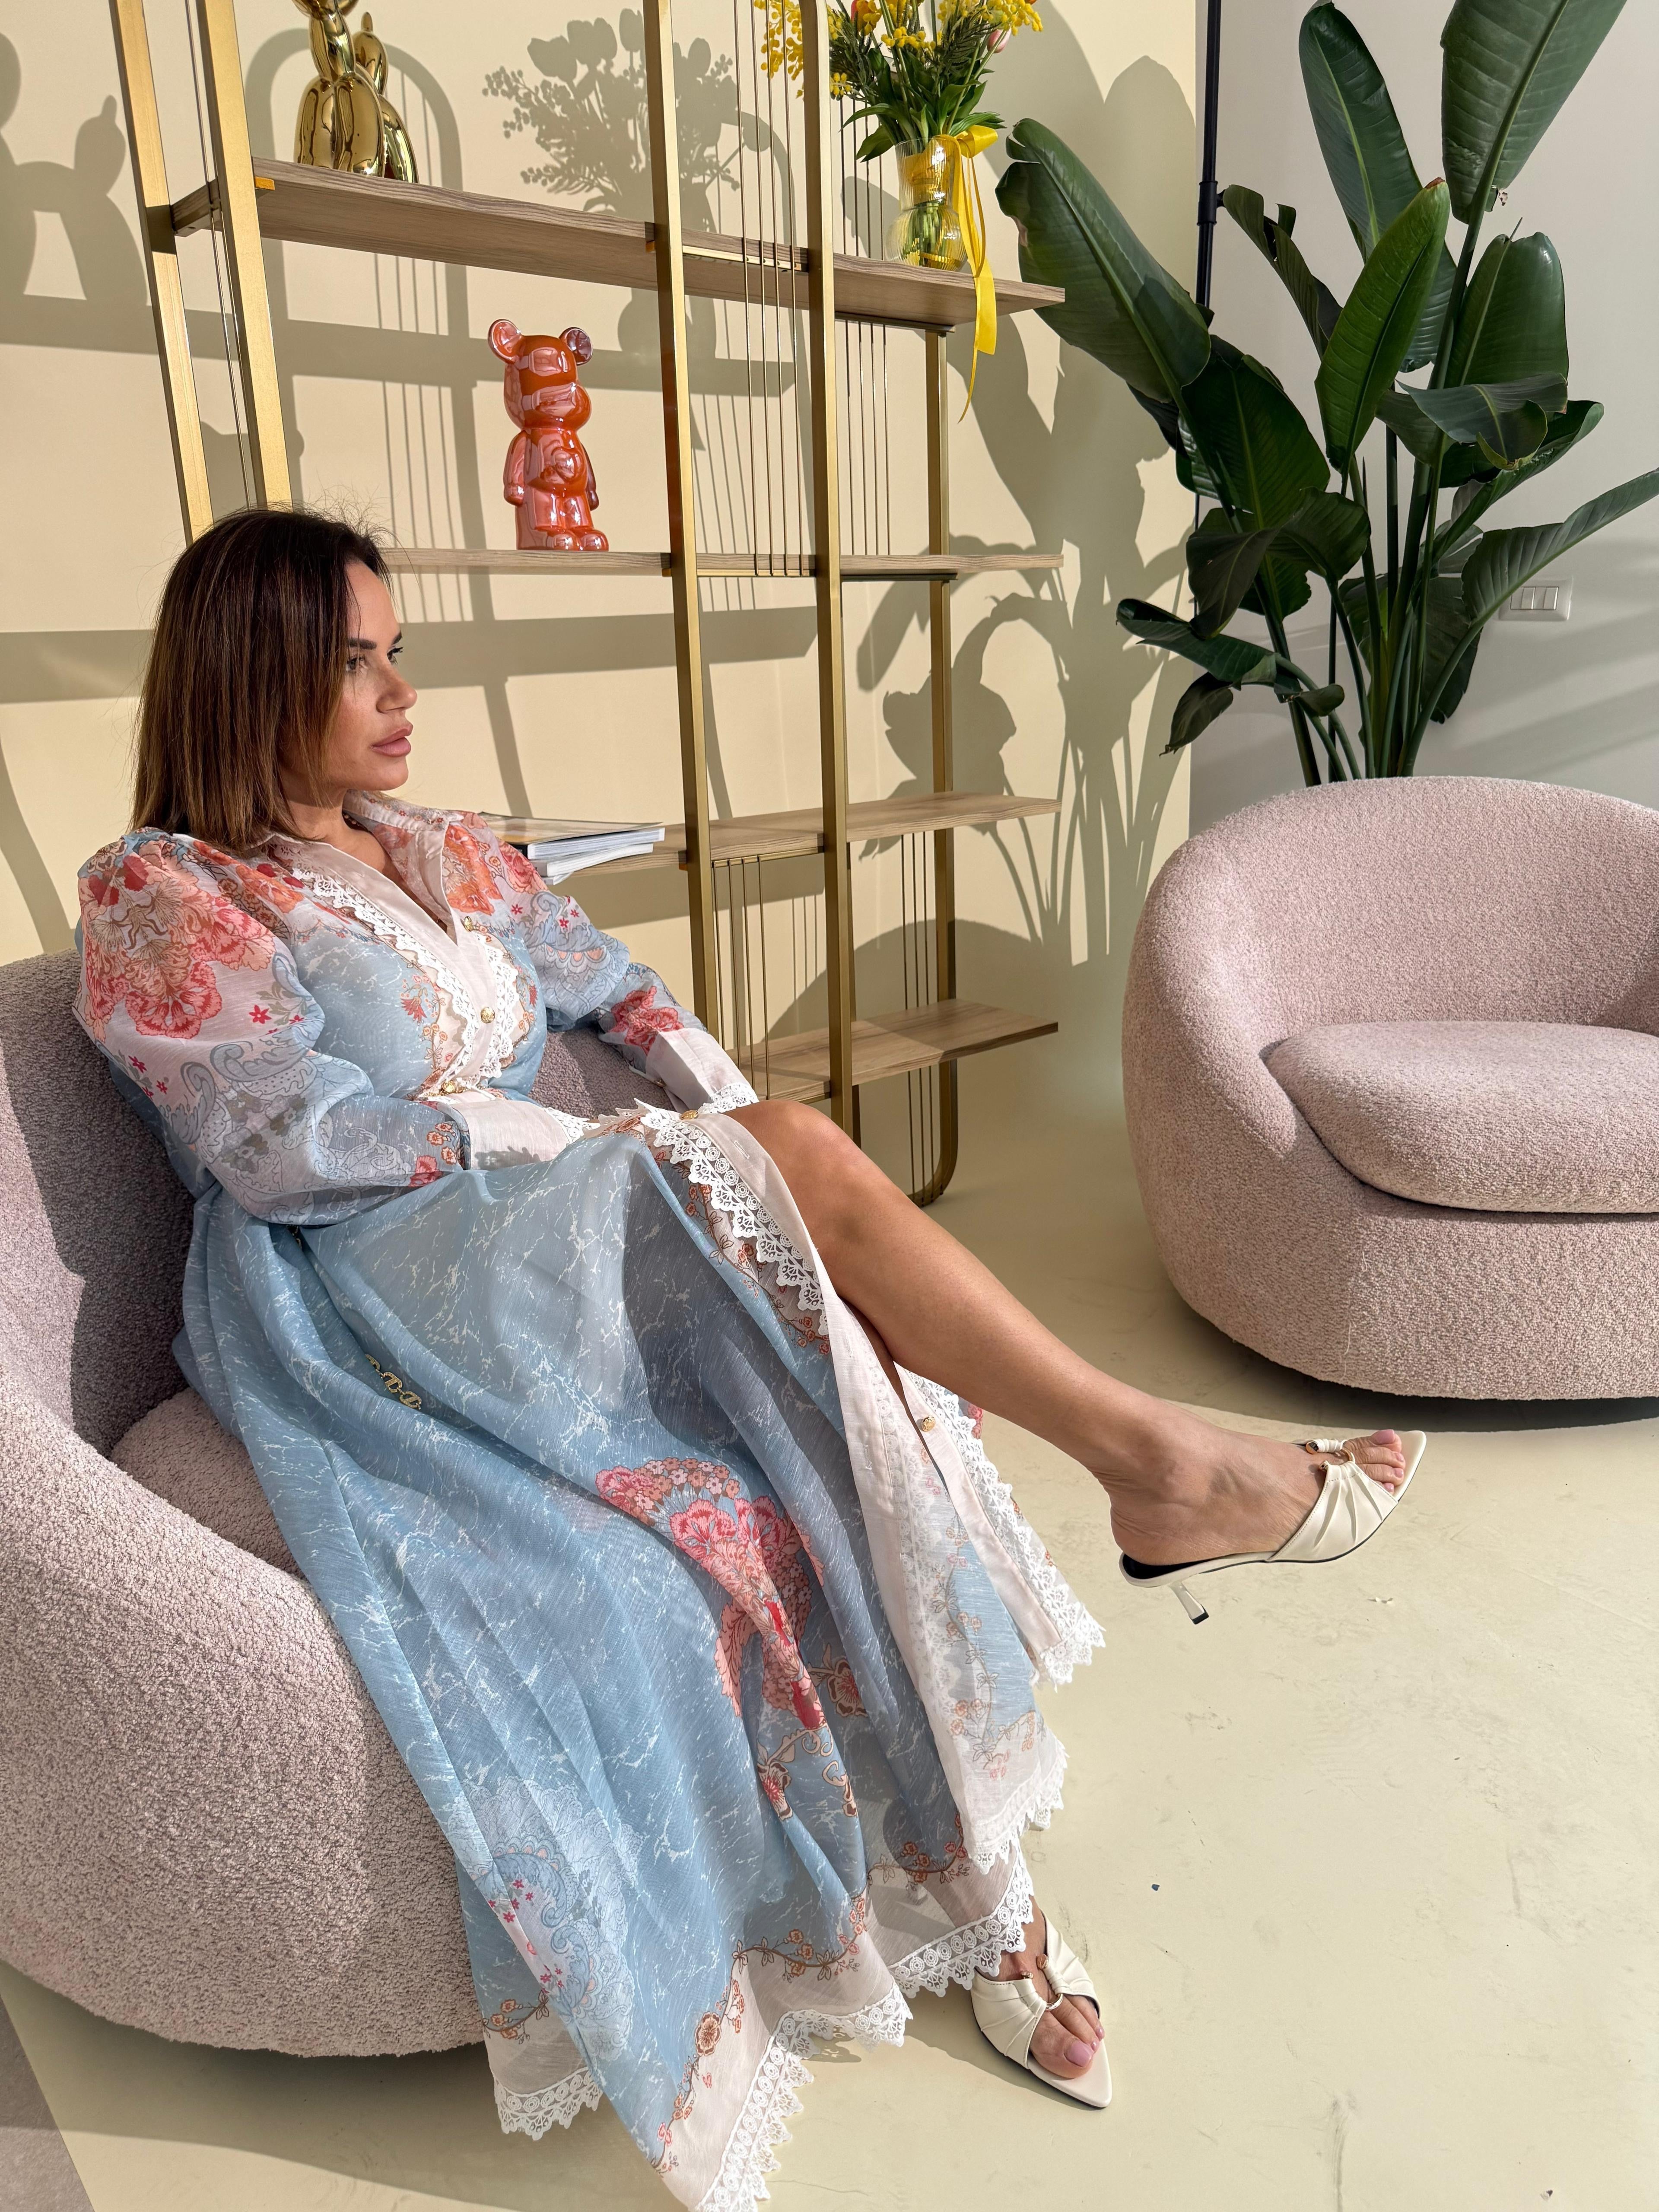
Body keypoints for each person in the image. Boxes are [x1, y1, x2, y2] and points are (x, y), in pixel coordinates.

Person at [74, 510, 1416, 2208]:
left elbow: (621, 996)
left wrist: (729, 1150)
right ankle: (1155, 1466)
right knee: (783, 1181)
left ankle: (973, 1869)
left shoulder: (448, 847)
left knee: (815, 1316)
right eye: (355, 662)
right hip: (372, 1276)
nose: (401, 692)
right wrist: (578, 1151)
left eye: (400, 651)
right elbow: (276, 1141)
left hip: (543, 1224)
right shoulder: (163, 889)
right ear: (246, 670)